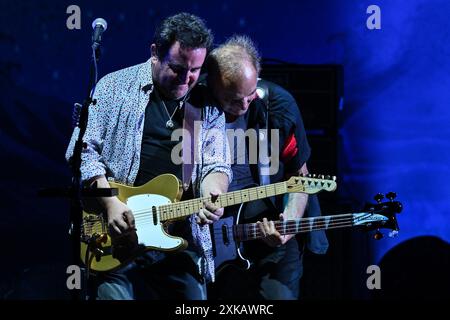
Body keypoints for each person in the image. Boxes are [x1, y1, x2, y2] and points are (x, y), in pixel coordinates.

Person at [65, 13, 231, 300]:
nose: (187, 78)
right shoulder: (114, 87)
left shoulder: (207, 106)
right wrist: (110, 203)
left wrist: (213, 192)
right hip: (114, 232)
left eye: (195, 70)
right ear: (155, 53)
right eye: (178, 68)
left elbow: (217, 163)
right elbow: (82, 152)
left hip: (176, 236)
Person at [204, 35, 329, 300]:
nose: (244, 106)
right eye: (233, 100)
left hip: (271, 240)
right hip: (213, 241)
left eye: (250, 96)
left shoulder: (279, 107)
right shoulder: (195, 109)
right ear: (212, 85)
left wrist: (289, 222)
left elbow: (298, 176)